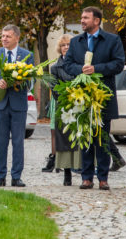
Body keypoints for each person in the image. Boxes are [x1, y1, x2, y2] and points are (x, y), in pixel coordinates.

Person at [63, 7, 125, 191]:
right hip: (82, 98)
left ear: (96, 21)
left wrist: (96, 69)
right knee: (86, 139)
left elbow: (119, 64)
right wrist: (80, 70)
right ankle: (86, 177)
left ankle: (103, 178)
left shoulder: (112, 40)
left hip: (103, 97)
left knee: (103, 139)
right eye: (82, 17)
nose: (82, 21)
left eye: (85, 18)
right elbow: (68, 64)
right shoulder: (76, 42)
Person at [0, 24, 33, 188]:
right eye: (3, 36)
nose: (4, 39)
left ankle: (16, 177)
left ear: (17, 37)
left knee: (18, 142)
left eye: (8, 36)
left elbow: (31, 80)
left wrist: (23, 80)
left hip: (19, 105)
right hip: (0, 104)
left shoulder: (27, 55)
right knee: (1, 142)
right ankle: (0, 176)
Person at [49, 33, 82, 186]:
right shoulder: (54, 67)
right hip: (63, 107)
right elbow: (54, 88)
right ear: (59, 48)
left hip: (80, 105)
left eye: (68, 45)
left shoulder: (79, 65)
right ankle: (67, 174)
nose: (66, 48)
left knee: (80, 139)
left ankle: (83, 171)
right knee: (64, 142)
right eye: (63, 45)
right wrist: (68, 97)